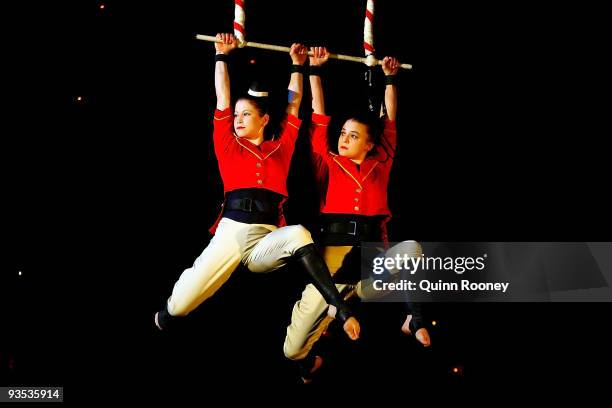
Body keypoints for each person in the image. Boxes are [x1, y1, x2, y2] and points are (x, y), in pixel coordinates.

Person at [154, 34, 360, 342]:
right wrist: (221, 56)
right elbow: (222, 99)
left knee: (300, 233)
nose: (237, 119)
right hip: (232, 233)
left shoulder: (281, 148)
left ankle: (339, 308)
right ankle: (169, 312)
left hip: (266, 238)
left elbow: (295, 106)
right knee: (181, 307)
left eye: (245, 114)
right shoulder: (228, 145)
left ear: (264, 119)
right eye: (236, 115)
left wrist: (298, 65)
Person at [282, 47, 430, 383]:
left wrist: (390, 78)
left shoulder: (382, 163)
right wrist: (315, 70)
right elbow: (319, 117)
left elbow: (389, 122)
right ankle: (310, 358)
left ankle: (411, 319)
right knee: (291, 350)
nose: (344, 139)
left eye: (353, 135)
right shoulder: (328, 162)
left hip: (369, 271)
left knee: (412, 249)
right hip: (330, 271)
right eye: (343, 134)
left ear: (369, 143)